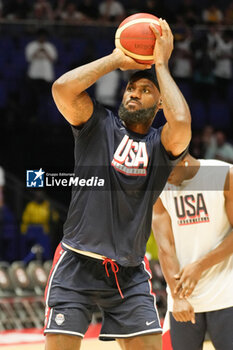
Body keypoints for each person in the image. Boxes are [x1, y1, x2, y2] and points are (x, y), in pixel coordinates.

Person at [44, 19, 191, 350]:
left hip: (128, 272)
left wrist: (161, 65)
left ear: (160, 104)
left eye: (145, 90)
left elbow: (181, 122)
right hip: (76, 264)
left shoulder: (160, 145)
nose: (135, 93)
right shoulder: (98, 123)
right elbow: (61, 89)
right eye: (130, 88)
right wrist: (116, 58)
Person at [152, 152, 233, 350]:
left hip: (225, 293)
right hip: (183, 299)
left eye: (168, 173)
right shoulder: (158, 186)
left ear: (184, 161)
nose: (165, 178)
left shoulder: (223, 174)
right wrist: (177, 298)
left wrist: (199, 266)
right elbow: (165, 247)